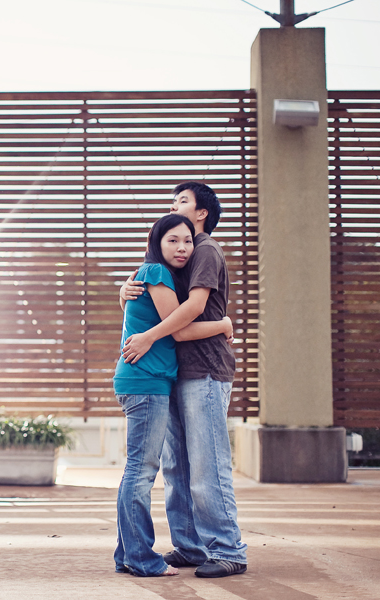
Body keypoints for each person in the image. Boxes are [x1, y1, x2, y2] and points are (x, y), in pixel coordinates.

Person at [119, 181, 248, 578]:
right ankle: (191, 546)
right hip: (174, 374)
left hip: (204, 369)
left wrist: (223, 322)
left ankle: (228, 549)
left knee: (208, 466)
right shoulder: (177, 258)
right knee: (177, 468)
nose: (174, 207)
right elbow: (153, 300)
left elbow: (191, 309)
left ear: (202, 213)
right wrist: (122, 292)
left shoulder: (205, 248)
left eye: (182, 201)